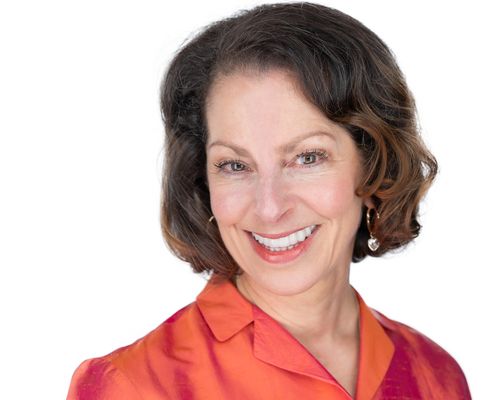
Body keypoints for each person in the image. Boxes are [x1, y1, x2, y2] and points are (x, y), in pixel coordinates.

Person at [66, 2, 471, 399]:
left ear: (373, 168)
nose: (270, 208)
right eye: (235, 166)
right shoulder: (132, 386)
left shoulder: (436, 377)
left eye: (307, 158)